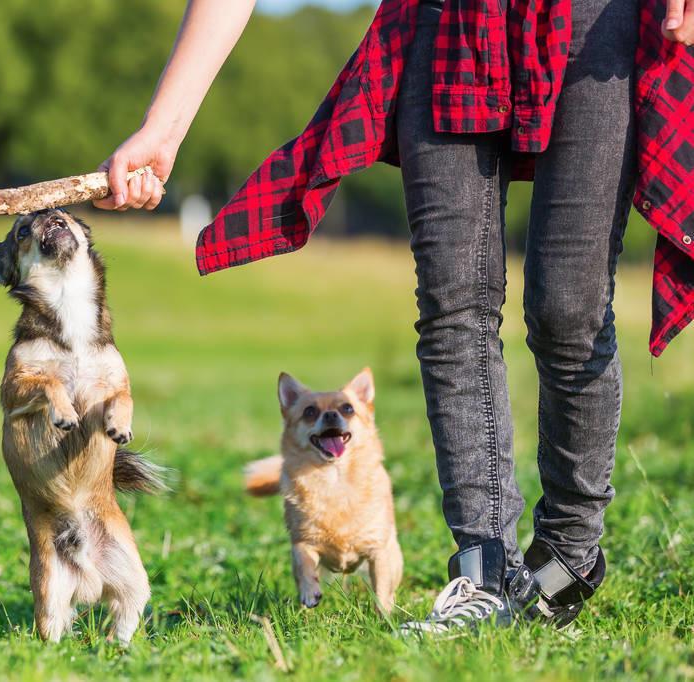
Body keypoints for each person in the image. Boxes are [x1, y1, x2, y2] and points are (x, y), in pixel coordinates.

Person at [93, 0, 694, 634]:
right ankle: (484, 572)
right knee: (452, 307)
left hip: (598, 21)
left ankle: (569, 554)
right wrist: (163, 125)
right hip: (450, 24)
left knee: (567, 310)